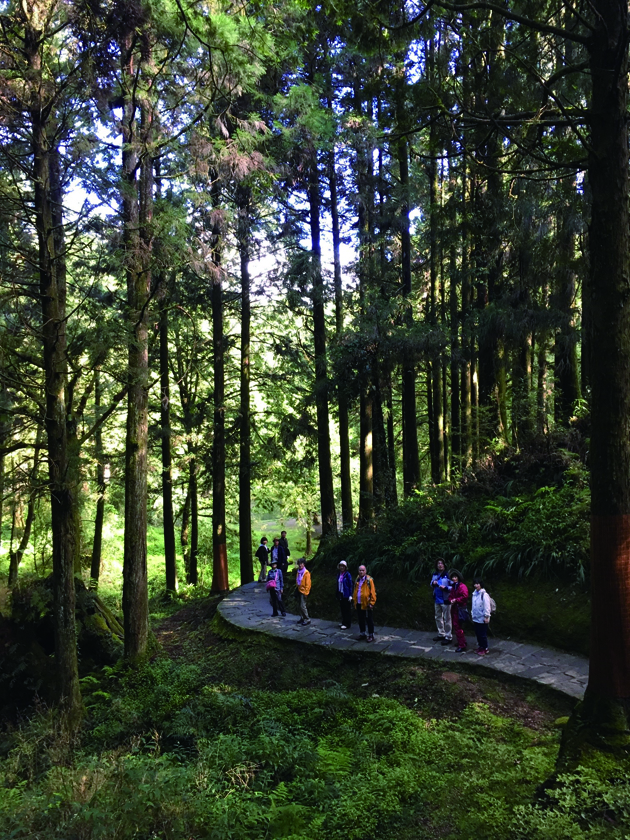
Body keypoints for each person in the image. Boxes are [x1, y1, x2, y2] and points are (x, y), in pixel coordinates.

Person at [431, 558, 452, 645]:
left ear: (444, 565)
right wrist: (434, 583)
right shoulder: (435, 574)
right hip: (437, 599)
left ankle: (448, 636)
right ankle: (441, 634)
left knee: (447, 619)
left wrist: (446, 588)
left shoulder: (448, 575)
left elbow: (453, 586)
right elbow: (431, 583)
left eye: (441, 563)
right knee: (438, 617)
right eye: (438, 563)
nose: (440, 565)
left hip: (445, 600)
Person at [353, 564, 376, 642]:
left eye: (363, 570)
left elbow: (373, 592)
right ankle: (362, 633)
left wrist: (372, 603)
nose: (361, 572)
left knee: (369, 619)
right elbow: (355, 590)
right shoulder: (357, 579)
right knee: (360, 619)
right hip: (359, 603)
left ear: (365, 571)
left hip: (366, 604)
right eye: (360, 570)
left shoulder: (369, 580)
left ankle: (371, 635)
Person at [447, 569, 469, 653]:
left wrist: (456, 600)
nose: (454, 579)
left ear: (458, 578)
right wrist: (451, 600)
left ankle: (462, 645)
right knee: (457, 626)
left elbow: (465, 596)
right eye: (452, 577)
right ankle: (461, 642)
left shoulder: (462, 586)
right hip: (455, 609)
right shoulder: (454, 587)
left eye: (455, 577)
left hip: (460, 609)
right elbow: (450, 596)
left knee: (458, 626)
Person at [471, 577, 492, 655]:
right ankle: (480, 646)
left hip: (483, 618)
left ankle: (485, 648)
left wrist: (486, 617)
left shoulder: (484, 594)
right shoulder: (474, 594)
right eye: (475, 584)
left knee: (483, 634)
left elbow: (487, 606)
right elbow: (473, 605)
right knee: (478, 633)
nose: (476, 585)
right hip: (476, 617)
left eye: (477, 584)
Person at [336, 560, 353, 629]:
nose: (342, 567)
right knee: (342, 609)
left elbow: (350, 585)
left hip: (346, 594)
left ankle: (347, 623)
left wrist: (350, 595)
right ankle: (343, 622)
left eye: (343, 566)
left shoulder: (347, 575)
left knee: (347, 609)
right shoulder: (339, 574)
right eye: (341, 566)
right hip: (341, 594)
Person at [296, 557, 311, 625]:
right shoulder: (298, 572)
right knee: (299, 605)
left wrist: (306, 592)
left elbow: (308, 584)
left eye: (301, 564)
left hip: (304, 591)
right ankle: (302, 617)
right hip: (299, 590)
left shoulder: (306, 573)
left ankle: (307, 619)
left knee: (303, 606)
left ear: (304, 564)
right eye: (299, 564)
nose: (300, 565)